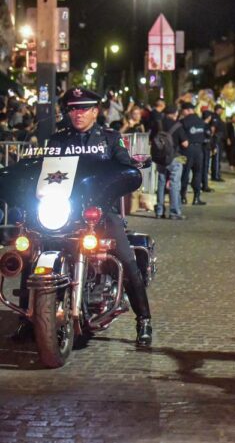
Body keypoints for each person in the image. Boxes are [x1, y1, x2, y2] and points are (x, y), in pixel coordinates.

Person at [43, 88, 153, 346]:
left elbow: (126, 169)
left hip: (102, 213)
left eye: (83, 108)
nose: (77, 114)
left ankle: (144, 320)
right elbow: (43, 172)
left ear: (95, 111)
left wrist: (129, 173)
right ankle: (32, 318)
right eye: (73, 108)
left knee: (126, 260)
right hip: (65, 212)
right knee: (35, 249)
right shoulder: (58, 141)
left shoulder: (111, 139)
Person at [150, 104, 188, 220]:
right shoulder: (178, 125)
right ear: (175, 114)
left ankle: (159, 211)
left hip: (160, 158)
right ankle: (174, 212)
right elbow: (185, 143)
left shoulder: (158, 124)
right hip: (174, 158)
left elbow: (151, 138)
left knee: (161, 183)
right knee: (174, 184)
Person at [179, 102, 207, 205]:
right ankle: (196, 197)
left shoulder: (183, 122)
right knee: (198, 173)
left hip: (186, 150)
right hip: (199, 150)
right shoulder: (201, 121)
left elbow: (180, 136)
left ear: (186, 110)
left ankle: (182, 197)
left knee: (184, 173)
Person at [210, 104, 226, 182]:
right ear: (218, 109)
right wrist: (213, 140)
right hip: (217, 140)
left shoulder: (218, 117)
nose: (222, 111)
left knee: (218, 158)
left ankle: (217, 174)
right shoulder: (215, 117)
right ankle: (215, 175)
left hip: (220, 140)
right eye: (221, 109)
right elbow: (213, 128)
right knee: (216, 159)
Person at [200, 110, 214, 192]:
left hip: (203, 148)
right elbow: (208, 137)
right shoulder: (206, 126)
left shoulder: (200, 124)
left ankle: (203, 184)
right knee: (205, 167)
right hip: (205, 148)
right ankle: (204, 185)